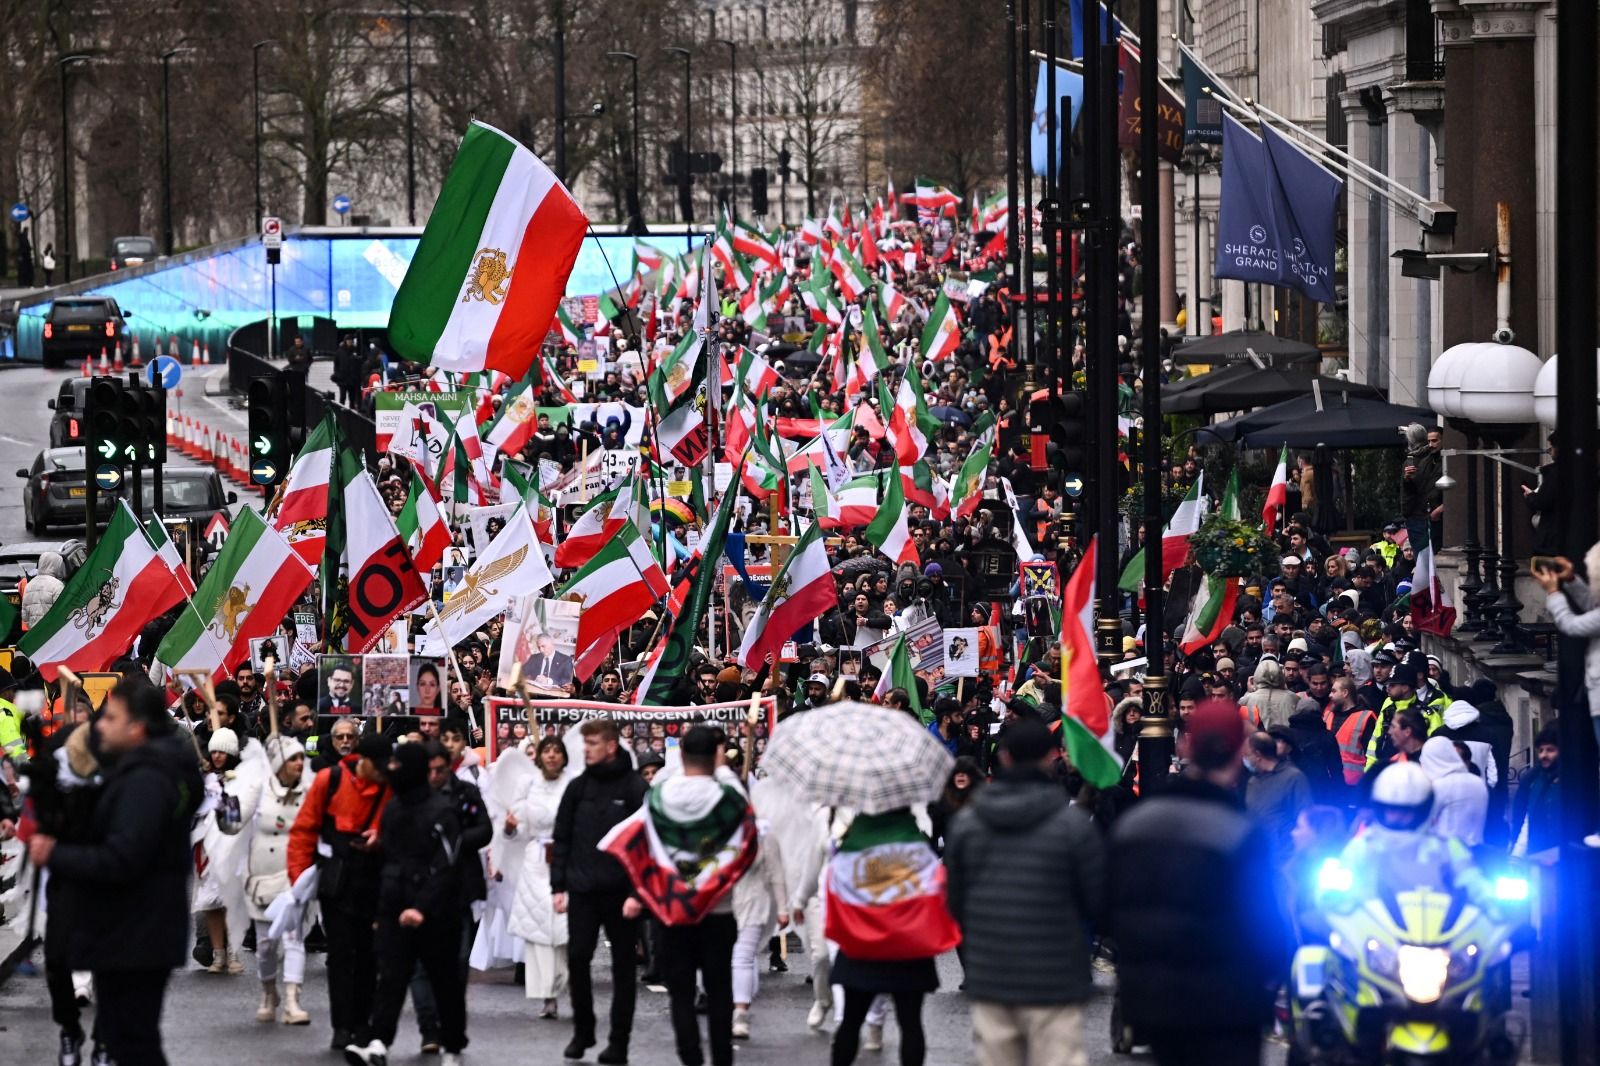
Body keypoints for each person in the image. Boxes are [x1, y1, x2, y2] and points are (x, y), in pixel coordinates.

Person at [27, 681, 204, 1066]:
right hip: (131, 933)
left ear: (136, 728)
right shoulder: (142, 770)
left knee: (134, 1045)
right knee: (131, 1043)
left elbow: (123, 857)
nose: (100, 726)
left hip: (135, 934)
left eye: (111, 717)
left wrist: (57, 854)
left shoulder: (146, 780)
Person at [1109, 700, 1294, 1066]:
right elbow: (1264, 922)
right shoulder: (1240, 832)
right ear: (1237, 750)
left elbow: (1109, 910)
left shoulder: (1137, 824)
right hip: (1227, 1002)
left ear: (1186, 748)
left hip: (1157, 1002)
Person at [945, 716, 1106, 1066]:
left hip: (992, 972)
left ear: (1004, 757)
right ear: (1051, 757)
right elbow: (1095, 902)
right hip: (1057, 975)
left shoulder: (967, 824)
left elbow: (955, 903)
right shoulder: (1073, 826)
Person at [343, 743, 473, 1066]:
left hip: (436, 914)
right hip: (395, 909)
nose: (392, 772)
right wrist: (381, 909)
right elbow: (390, 861)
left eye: (399, 766)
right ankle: (378, 1042)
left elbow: (447, 865)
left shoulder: (442, 810)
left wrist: (423, 907)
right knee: (390, 977)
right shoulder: (393, 809)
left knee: (444, 981)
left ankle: (453, 1045)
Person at [828, 806, 956, 1066]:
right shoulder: (916, 842)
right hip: (908, 943)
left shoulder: (853, 841)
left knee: (851, 1022)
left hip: (862, 942)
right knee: (910, 1022)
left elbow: (835, 886)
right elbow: (934, 887)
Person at [551, 718, 648, 1064]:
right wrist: (557, 885)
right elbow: (561, 837)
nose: (585, 750)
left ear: (610, 746)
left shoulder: (635, 787)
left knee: (624, 968)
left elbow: (646, 844)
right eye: (584, 744)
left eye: (592, 744)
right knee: (578, 957)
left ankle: (618, 1041)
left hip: (622, 894)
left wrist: (638, 894)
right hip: (582, 889)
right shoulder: (578, 787)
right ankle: (583, 1030)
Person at [288, 733, 393, 1051]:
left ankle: (362, 1024)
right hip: (337, 883)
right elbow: (304, 829)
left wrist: (382, 837)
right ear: (363, 763)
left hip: (373, 882)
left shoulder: (389, 787)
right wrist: (299, 879)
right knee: (340, 955)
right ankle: (342, 1026)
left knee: (369, 957)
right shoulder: (329, 780)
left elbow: (398, 829)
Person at [246, 736, 313, 1026]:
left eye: (301, 758)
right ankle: (268, 992)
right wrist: (225, 808)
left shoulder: (310, 792)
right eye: (293, 759)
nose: (300, 763)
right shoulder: (259, 791)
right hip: (261, 879)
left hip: (295, 877)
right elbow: (233, 821)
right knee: (265, 945)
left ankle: (292, 999)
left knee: (293, 938)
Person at [507, 735, 573, 1019]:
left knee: (564, 928)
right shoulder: (528, 785)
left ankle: (562, 983)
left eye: (557, 751)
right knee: (537, 931)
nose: (552, 756)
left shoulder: (573, 784)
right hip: (536, 861)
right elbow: (518, 830)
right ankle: (546, 995)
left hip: (567, 858)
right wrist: (510, 828)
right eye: (547, 751)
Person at [730, 809, 789, 1042]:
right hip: (720, 904)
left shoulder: (764, 835)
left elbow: (776, 873)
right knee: (724, 958)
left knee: (743, 956)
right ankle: (729, 1000)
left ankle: (741, 1013)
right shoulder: (713, 833)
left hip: (754, 902)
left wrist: (783, 908)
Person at [1244, 731, 1313, 867]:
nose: (1244, 759)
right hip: (1260, 861)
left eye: (1247, 754)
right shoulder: (1253, 782)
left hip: (1286, 861)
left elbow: (1305, 817)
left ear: (1257, 755)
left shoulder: (1294, 778)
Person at [1419, 735, 1489, 847]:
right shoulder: (1478, 782)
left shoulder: (1440, 786)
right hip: (1476, 848)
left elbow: (1424, 822)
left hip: (1446, 853)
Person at [1510, 724, 1561, 856]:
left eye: (1550, 750)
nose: (1544, 755)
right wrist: (1516, 854)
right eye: (1541, 750)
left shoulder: (1575, 781)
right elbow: (1525, 817)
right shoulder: (1532, 779)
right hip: (1537, 852)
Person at [1239, 659, 1298, 731]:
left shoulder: (1247, 698)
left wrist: (1249, 692)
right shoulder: (1292, 697)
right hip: (1286, 739)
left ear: (1257, 675)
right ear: (1280, 674)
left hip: (1259, 740)